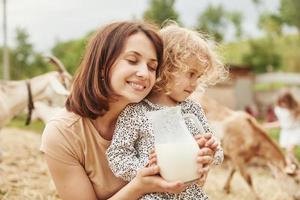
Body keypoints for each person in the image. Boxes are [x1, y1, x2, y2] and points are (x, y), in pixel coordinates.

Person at [40, 21, 215, 200]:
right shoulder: (62, 134)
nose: (144, 73)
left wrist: (200, 163)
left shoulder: (167, 117)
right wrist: (139, 186)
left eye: (152, 67)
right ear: (102, 66)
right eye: (132, 60)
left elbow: (189, 186)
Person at [106, 23, 226, 199]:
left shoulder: (192, 109)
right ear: (166, 68)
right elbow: (117, 155)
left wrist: (211, 152)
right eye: (190, 74)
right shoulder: (136, 112)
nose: (195, 84)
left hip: (191, 195)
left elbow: (215, 150)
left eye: (199, 77)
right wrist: (147, 170)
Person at [274, 91, 300, 173]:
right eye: (281, 102)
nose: (283, 104)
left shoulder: (296, 109)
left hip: (295, 131)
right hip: (285, 132)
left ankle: (290, 167)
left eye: (284, 102)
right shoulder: (279, 110)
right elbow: (281, 123)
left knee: (289, 150)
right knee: (289, 154)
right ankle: (295, 167)